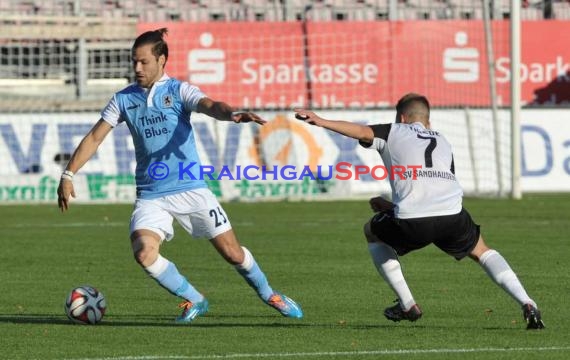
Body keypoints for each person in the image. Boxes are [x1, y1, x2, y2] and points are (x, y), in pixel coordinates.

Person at [57, 28, 303, 324]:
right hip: (151, 195)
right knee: (144, 253)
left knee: (233, 254)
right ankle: (195, 299)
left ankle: (269, 294)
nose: (137, 68)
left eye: (144, 62)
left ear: (162, 60)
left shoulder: (178, 91)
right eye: (134, 61)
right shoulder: (123, 99)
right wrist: (68, 173)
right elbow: (95, 138)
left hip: (192, 189)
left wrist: (232, 113)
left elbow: (210, 105)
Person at [294, 93, 544, 330]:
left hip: (414, 222)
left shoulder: (393, 131)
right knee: (482, 250)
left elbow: (360, 131)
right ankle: (527, 302)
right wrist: (393, 206)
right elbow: (437, 188)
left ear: (402, 117)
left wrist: (320, 120)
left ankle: (407, 304)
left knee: (372, 231)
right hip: (452, 216)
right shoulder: (443, 140)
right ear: (428, 120)